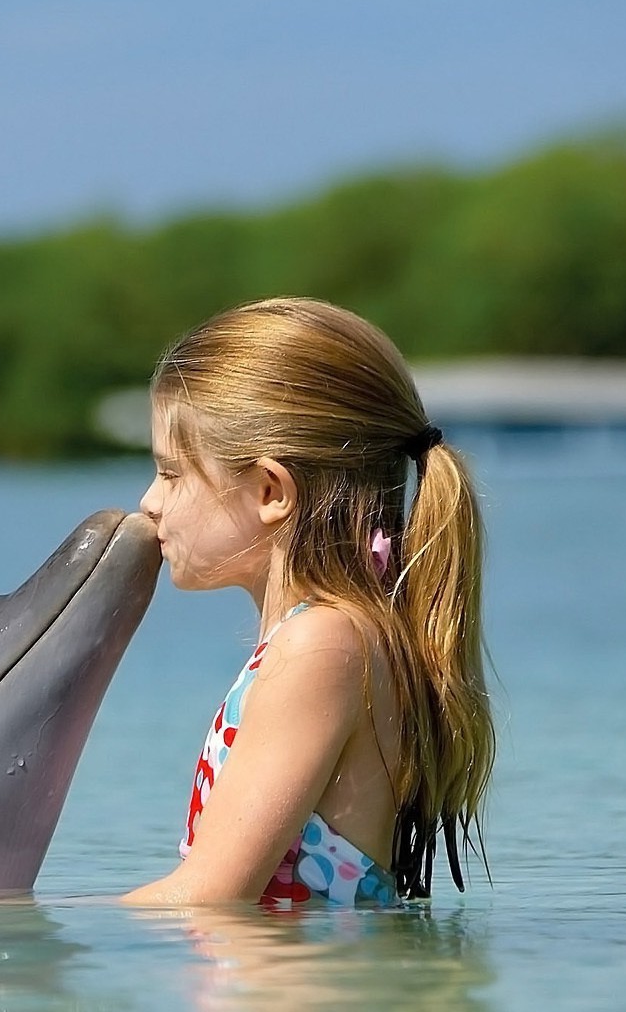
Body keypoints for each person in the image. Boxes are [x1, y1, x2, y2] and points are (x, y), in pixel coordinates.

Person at [121, 297, 493, 909]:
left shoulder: (322, 644)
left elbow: (209, 897)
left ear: (271, 490)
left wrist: (14, 936)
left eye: (171, 473)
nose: (149, 502)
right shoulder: (334, 636)